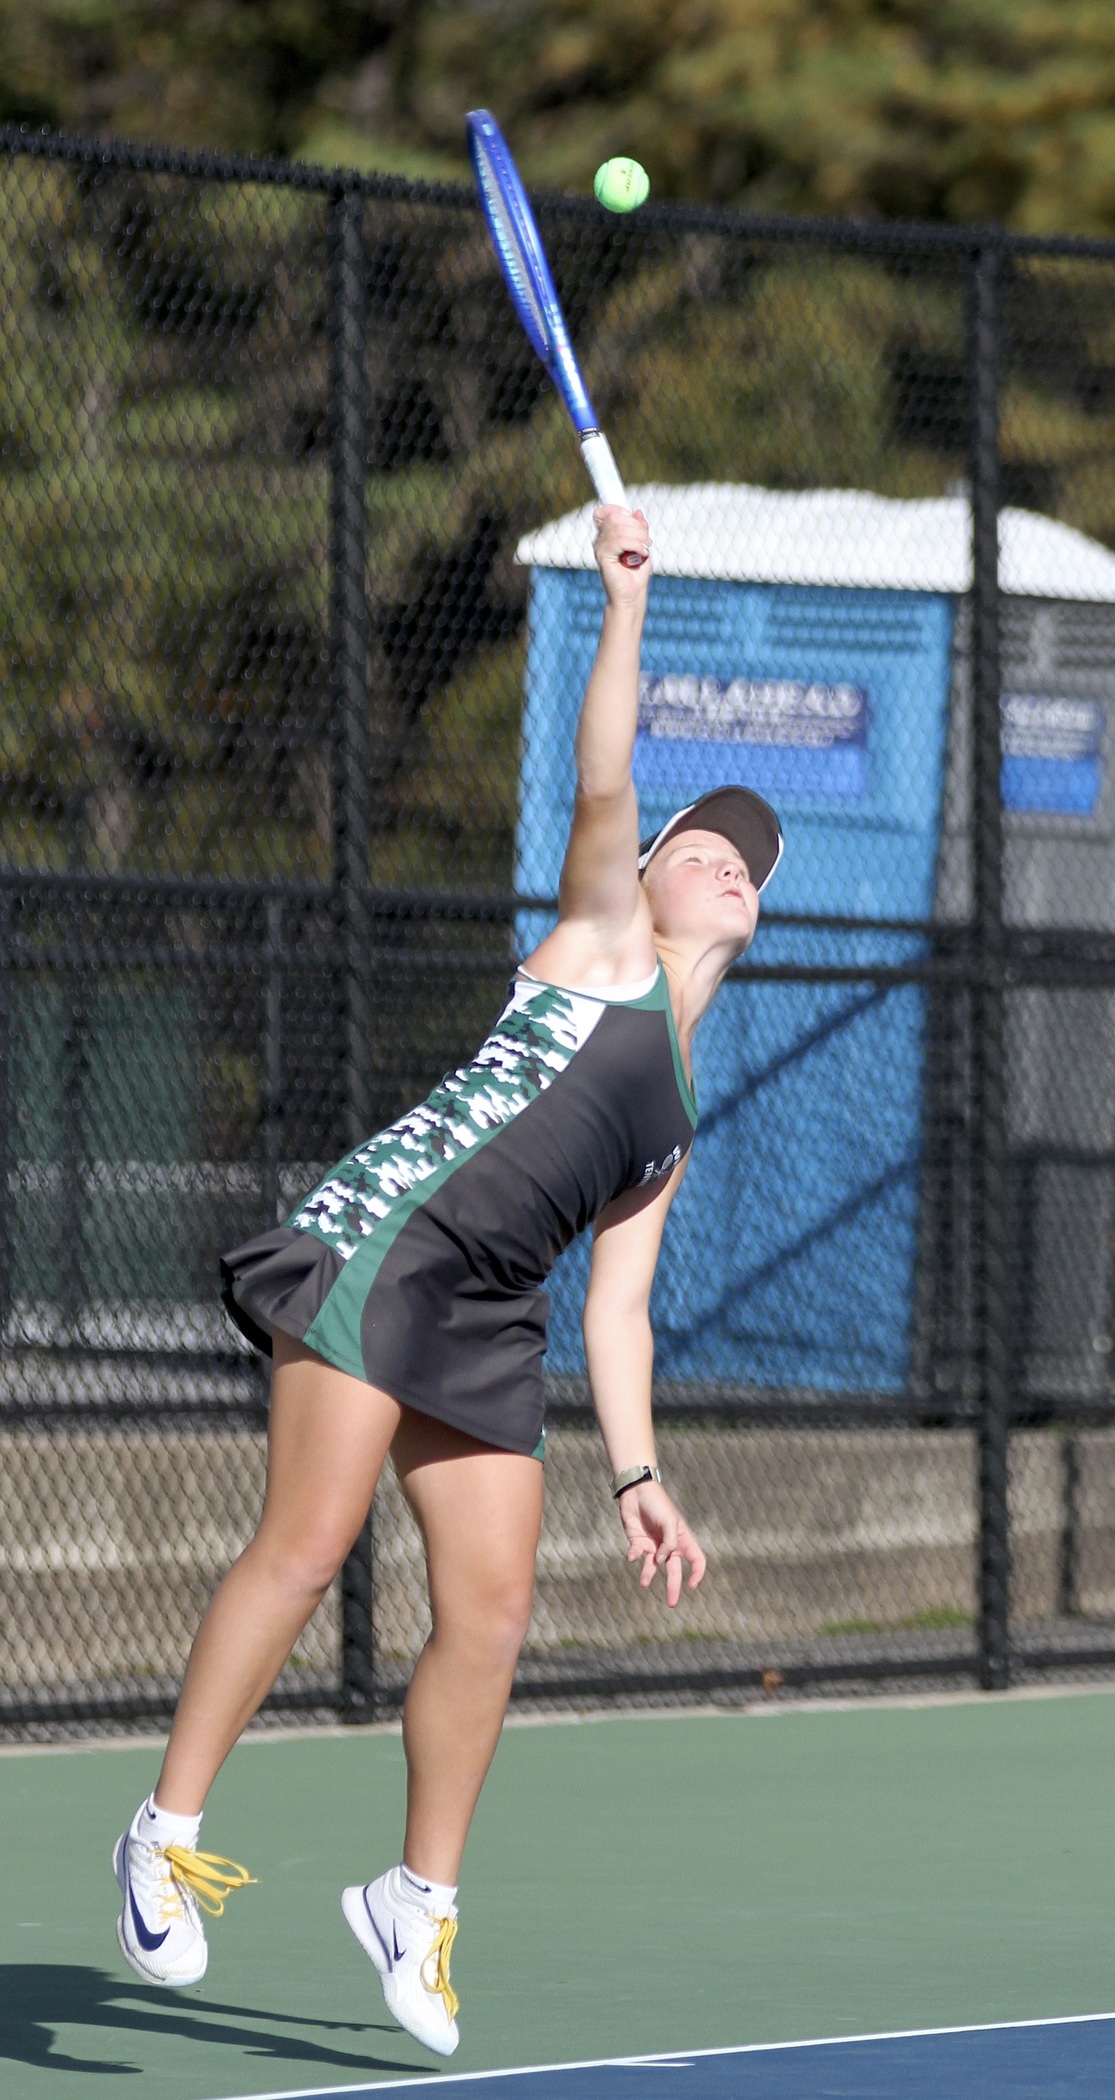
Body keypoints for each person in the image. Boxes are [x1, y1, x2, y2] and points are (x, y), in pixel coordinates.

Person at [111, 502, 783, 2057]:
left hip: (490, 1314)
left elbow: (619, 1304)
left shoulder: (677, 1109)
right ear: (657, 877)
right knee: (308, 1541)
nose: (732, 866)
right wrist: (624, 608)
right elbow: (608, 772)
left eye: (754, 866)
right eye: (708, 849)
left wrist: (640, 1474)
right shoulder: (600, 937)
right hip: (385, 1246)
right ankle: (163, 1832)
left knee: (490, 1612)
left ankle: (418, 1899)